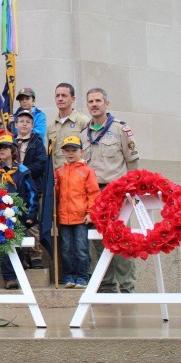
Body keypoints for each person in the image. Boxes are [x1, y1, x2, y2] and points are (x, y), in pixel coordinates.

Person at [81, 87, 139, 293]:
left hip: (117, 191)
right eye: (90, 101)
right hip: (94, 193)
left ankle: (127, 287)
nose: (94, 104)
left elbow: (132, 162)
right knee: (99, 240)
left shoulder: (120, 129)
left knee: (121, 239)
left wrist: (132, 192)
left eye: (98, 100)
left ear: (107, 103)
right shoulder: (83, 134)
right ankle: (105, 286)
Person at [0, 135, 38, 290]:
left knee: (20, 245)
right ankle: (10, 278)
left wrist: (31, 214)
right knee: (5, 244)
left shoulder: (22, 171)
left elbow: (31, 193)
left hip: (19, 215)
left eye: (5, 147)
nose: (1, 151)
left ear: (13, 150)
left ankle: (20, 264)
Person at [55, 136, 100, 289]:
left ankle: (82, 277)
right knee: (66, 249)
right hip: (64, 218)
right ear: (63, 152)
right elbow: (55, 194)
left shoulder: (87, 171)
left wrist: (90, 212)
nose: (71, 153)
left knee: (81, 249)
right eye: (67, 150)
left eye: (74, 150)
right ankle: (69, 276)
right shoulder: (59, 172)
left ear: (81, 151)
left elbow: (93, 193)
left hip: (81, 218)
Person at [14, 110, 47, 268]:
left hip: (31, 188)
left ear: (33, 125)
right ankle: (21, 255)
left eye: (28, 122)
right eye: (21, 121)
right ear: (16, 125)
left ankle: (35, 255)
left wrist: (23, 171)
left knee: (32, 222)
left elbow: (41, 164)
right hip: (14, 190)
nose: (24, 124)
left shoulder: (37, 142)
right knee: (16, 222)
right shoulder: (10, 142)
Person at [47, 83, 89, 170]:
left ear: (73, 99)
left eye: (64, 96)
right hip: (58, 176)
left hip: (78, 174)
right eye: (57, 96)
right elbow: (50, 155)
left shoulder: (83, 121)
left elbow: (88, 152)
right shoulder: (51, 126)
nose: (60, 99)